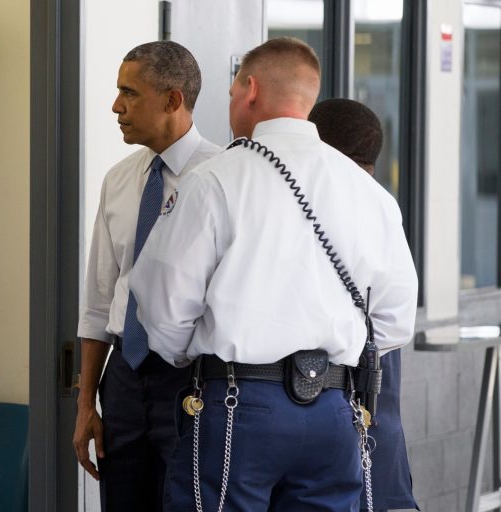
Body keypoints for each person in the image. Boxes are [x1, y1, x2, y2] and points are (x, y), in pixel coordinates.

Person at [130, 37, 418, 512]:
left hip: (238, 404)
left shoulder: (216, 180)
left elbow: (161, 303)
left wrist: (195, 357)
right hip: (334, 413)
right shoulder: (370, 194)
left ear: (250, 89)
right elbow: (393, 321)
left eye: (230, 93)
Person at [73, 40, 221, 512]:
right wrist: (85, 405)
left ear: (172, 100)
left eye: (129, 93)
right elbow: (99, 301)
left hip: (192, 379)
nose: (115, 106)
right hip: (124, 376)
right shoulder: (118, 179)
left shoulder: (224, 178)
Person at [309, 98, 419, 512]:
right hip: (373, 374)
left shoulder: (334, 201)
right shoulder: (382, 203)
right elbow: (397, 320)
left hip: (341, 381)